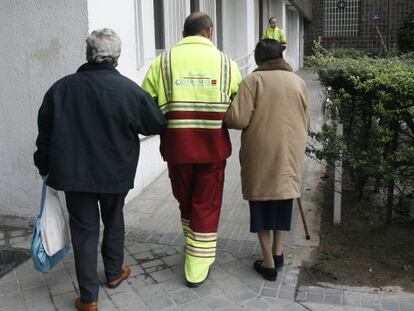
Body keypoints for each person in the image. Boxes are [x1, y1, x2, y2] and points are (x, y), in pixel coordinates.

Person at [34, 28, 166, 311]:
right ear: (116, 57)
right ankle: (115, 273)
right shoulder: (129, 90)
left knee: (84, 230)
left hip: (74, 174)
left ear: (88, 55)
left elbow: (44, 134)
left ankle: (89, 297)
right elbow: (155, 123)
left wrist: (43, 166)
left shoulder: (61, 88)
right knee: (114, 218)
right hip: (116, 172)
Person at [142, 12, 241, 287]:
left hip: (177, 149)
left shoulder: (162, 63)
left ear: (184, 34)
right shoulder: (227, 64)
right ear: (210, 31)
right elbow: (238, 104)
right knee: (206, 204)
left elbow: (146, 104)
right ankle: (197, 264)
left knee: (185, 200)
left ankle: (193, 245)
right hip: (212, 150)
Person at [225, 39, 309, 281]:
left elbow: (237, 120)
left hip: (260, 153)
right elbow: (306, 120)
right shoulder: (298, 81)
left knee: (261, 202)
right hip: (290, 151)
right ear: (280, 57)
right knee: (283, 198)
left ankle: (268, 263)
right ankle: (278, 252)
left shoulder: (253, 80)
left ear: (259, 59)